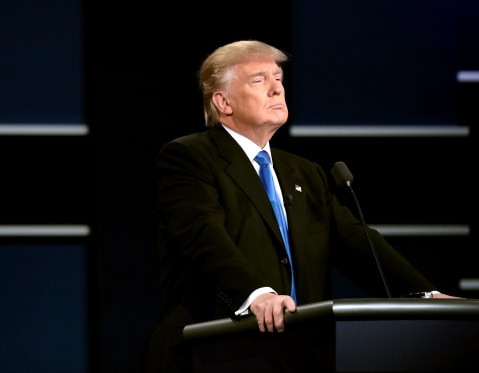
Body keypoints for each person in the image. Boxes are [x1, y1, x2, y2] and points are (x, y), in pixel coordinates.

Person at [142, 39, 458, 372]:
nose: (276, 89)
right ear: (223, 102)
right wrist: (256, 295)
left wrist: (426, 296)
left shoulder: (304, 172)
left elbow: (355, 241)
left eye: (278, 79)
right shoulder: (190, 158)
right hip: (212, 351)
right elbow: (203, 237)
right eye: (259, 80)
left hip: (295, 353)